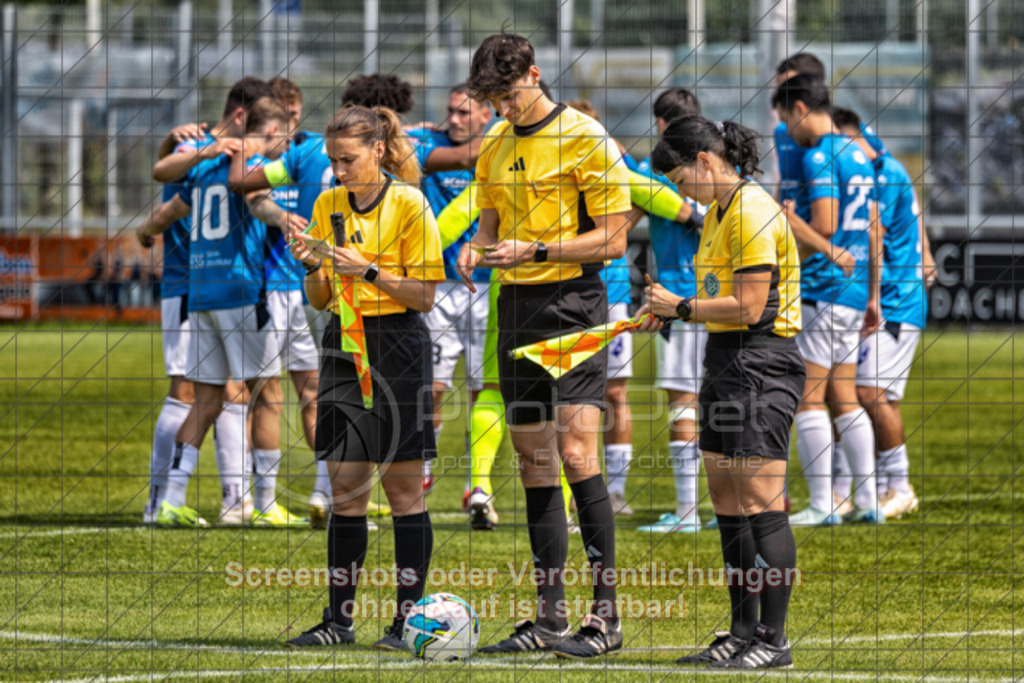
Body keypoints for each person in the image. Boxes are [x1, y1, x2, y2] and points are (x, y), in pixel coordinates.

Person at [457, 32, 633, 658]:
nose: (500, 108)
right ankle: (548, 619)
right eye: (491, 98)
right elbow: (492, 225)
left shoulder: (587, 138)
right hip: (515, 308)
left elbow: (614, 240)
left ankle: (605, 619)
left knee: (578, 451)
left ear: (534, 75)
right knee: (533, 461)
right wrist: (472, 253)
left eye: (506, 95)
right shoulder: (497, 143)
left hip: (575, 306)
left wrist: (535, 250)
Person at [638, 114, 803, 670]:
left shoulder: (752, 210)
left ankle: (774, 641)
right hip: (725, 360)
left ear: (705, 162)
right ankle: (740, 630)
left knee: (762, 505)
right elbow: (715, 297)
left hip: (763, 362)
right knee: (728, 503)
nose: (682, 192)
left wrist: (680, 308)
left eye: (682, 180)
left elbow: (752, 307)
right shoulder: (718, 214)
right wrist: (670, 312)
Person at [284, 104, 444, 649]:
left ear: (377, 151)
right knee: (345, 490)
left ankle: (407, 622)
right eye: (332, 160)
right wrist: (313, 268)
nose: (338, 170)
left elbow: (424, 295)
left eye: (347, 159)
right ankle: (338, 621)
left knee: (403, 494)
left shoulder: (410, 202)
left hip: (398, 346)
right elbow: (322, 297)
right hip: (343, 346)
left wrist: (368, 269)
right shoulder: (327, 202)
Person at [138, 97, 307, 528]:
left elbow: (162, 173)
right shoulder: (246, 160)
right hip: (240, 290)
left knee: (208, 397)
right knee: (267, 393)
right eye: (284, 135)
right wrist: (285, 217)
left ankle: (172, 500)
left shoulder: (201, 159)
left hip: (201, 291)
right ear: (270, 131)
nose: (285, 145)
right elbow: (256, 203)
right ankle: (264, 504)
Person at [773, 74, 882, 526]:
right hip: (854, 289)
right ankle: (869, 501)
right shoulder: (858, 153)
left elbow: (824, 224)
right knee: (845, 396)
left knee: (810, 400)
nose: (788, 132)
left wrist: (784, 221)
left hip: (824, 286)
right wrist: (873, 293)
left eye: (784, 118)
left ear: (799, 108)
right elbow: (873, 228)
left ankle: (822, 504)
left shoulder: (820, 154)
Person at [833, 107, 935, 519]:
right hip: (889, 295)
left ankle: (899, 485)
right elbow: (911, 210)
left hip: (895, 300)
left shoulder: (875, 170)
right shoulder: (884, 162)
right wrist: (925, 251)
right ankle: (863, 487)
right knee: (854, 393)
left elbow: (875, 230)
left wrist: (870, 298)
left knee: (872, 394)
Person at [405, 84, 495, 518]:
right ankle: (423, 474)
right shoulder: (427, 145)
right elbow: (385, 138)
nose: (454, 120)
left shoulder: (504, 146)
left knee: (485, 389)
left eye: (464, 113)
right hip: (438, 286)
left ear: (486, 115)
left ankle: (477, 486)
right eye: (450, 113)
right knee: (433, 387)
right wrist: (410, 127)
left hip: (488, 285)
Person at [633, 87, 709, 533]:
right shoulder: (719, 164)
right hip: (725, 299)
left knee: (683, 402)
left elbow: (631, 186)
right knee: (729, 403)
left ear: (661, 123)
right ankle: (737, 505)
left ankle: (686, 512)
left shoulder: (655, 172)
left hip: (680, 299)